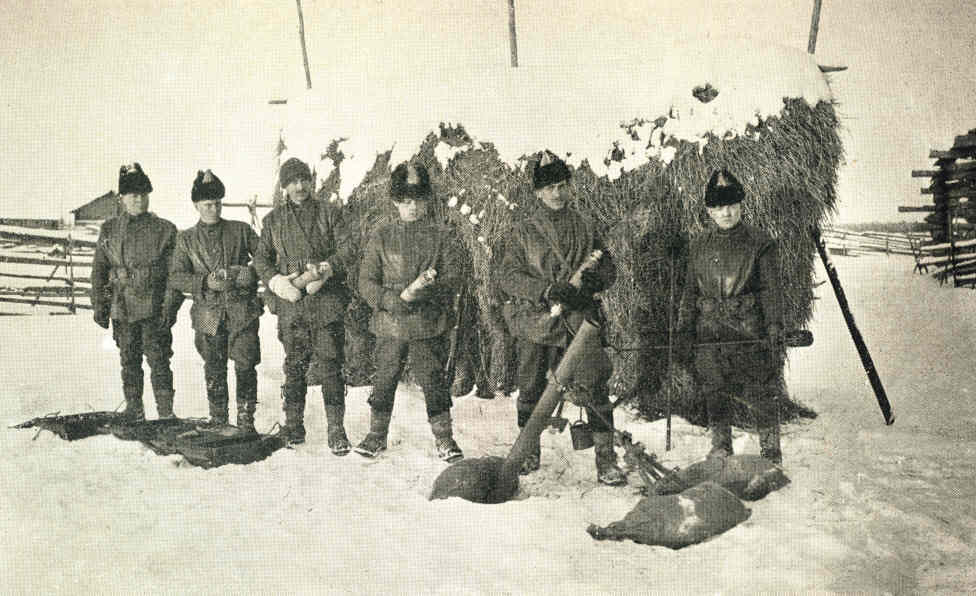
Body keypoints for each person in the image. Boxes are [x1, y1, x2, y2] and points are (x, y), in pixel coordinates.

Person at [497, 151, 626, 486]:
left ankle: (606, 459)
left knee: (595, 385)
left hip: (578, 320)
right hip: (537, 320)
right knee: (530, 387)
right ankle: (528, 452)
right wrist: (547, 290)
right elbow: (508, 276)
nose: (556, 193)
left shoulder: (585, 225)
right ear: (538, 192)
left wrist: (596, 281)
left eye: (561, 185)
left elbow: (608, 267)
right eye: (549, 188)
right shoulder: (523, 232)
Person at [355, 163, 464, 462]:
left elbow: (453, 278)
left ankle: (445, 438)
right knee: (385, 377)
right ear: (395, 202)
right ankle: (376, 435)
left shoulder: (441, 236)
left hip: (427, 323)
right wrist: (391, 300)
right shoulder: (381, 236)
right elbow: (366, 282)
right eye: (405, 201)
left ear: (426, 200)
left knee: (432, 379)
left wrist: (425, 292)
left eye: (418, 200)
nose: (412, 207)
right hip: (390, 323)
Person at [677, 169, 784, 464]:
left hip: (748, 331)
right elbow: (690, 292)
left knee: (762, 390)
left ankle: (770, 451)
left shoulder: (760, 243)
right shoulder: (698, 246)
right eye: (719, 207)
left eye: (731, 205)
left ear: (740, 205)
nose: (726, 213)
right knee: (714, 390)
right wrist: (685, 329)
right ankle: (721, 447)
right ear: (709, 211)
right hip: (709, 333)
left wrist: (773, 326)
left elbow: (770, 290)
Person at [253, 157, 356, 453]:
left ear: (311, 182)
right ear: (284, 186)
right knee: (294, 366)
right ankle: (294, 426)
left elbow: (349, 247)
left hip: (326, 300)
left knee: (330, 365)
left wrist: (328, 267)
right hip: (292, 302)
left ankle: (336, 429)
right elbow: (261, 259)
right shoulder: (273, 221)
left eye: (304, 180)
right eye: (293, 182)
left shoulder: (329, 213)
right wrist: (276, 282)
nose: (299, 187)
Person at [167, 170, 263, 433]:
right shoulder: (185, 239)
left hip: (242, 311)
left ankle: (246, 421)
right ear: (196, 205)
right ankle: (219, 419)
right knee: (213, 366)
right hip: (208, 314)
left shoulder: (241, 230)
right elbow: (176, 277)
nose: (214, 209)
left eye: (218, 203)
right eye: (208, 204)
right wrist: (204, 282)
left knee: (246, 363)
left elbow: (266, 258)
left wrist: (248, 273)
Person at [90, 163, 180, 420]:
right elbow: (99, 270)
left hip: (154, 308)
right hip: (122, 308)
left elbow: (175, 275)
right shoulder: (109, 229)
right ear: (122, 198)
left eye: (143, 194)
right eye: (133, 195)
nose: (139, 200)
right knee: (128, 359)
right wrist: (100, 305)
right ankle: (134, 410)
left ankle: (166, 413)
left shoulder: (165, 229)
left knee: (159, 360)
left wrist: (169, 308)